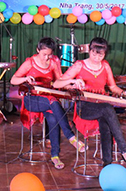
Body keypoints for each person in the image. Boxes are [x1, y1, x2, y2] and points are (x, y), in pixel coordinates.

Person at [53, 37, 126, 170]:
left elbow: (112, 88)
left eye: (100, 55)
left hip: (102, 105)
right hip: (85, 107)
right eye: (94, 53)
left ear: (105, 54)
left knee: (105, 120)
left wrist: (124, 93)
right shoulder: (79, 65)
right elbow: (57, 83)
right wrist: (72, 82)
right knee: (107, 109)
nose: (96, 57)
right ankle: (124, 151)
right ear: (89, 50)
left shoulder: (105, 65)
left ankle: (107, 163)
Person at [10, 37, 85, 169]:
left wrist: (72, 83)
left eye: (49, 55)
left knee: (53, 118)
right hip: (32, 100)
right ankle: (71, 136)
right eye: (44, 54)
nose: (47, 58)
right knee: (53, 102)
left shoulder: (54, 62)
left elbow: (59, 83)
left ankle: (55, 155)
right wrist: (25, 78)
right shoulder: (30, 63)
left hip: (49, 100)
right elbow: (13, 80)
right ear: (37, 50)